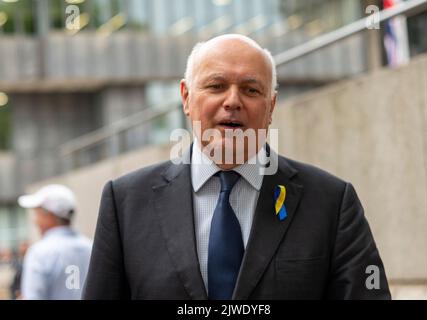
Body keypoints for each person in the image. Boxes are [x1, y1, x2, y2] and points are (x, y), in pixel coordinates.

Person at [83, 34, 391, 299]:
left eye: (251, 90)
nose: (232, 101)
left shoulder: (330, 202)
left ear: (271, 107)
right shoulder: (125, 202)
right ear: (186, 98)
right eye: (216, 86)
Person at [18, 184, 92, 300]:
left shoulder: (39, 253)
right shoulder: (91, 248)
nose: (35, 221)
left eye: (37, 214)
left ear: (50, 215)